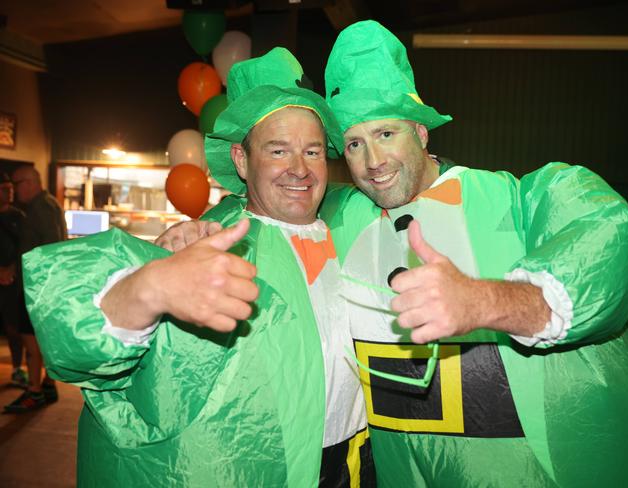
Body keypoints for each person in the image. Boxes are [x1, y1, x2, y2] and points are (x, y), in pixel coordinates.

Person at [317, 20, 628, 487]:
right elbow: (273, 210)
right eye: (355, 143)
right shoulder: (342, 217)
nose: (373, 161)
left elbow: (601, 230)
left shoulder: (510, 203)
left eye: (386, 134)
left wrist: (484, 302)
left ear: (421, 132)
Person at [22, 48, 374, 487]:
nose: (299, 169)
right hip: (261, 470)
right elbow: (76, 335)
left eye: (313, 151)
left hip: (356, 462)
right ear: (243, 161)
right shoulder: (209, 240)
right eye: (278, 150)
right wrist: (148, 287)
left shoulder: (355, 222)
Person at [4, 166, 66, 412]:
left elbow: (48, 249)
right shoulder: (49, 203)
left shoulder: (40, 208)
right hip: (43, 285)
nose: (14, 191)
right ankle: (47, 385)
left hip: (37, 286)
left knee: (31, 341)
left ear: (29, 183)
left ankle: (34, 391)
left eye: (16, 184)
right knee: (44, 339)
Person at [0, 172, 27, 389]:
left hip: (12, 281)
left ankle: (18, 369)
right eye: (3, 189)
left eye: (10, 188)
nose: (8, 193)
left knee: (13, 329)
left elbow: (24, 248)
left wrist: (12, 268)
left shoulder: (19, 216)